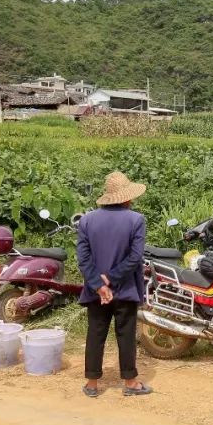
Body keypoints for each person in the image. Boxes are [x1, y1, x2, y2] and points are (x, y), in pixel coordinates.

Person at [77, 171, 151, 399]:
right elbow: (135, 257)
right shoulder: (136, 220)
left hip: (95, 290)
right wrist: (111, 278)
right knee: (126, 334)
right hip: (125, 288)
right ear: (127, 197)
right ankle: (130, 381)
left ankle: (91, 384)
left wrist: (98, 283)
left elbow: (83, 257)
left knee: (96, 333)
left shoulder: (87, 220)